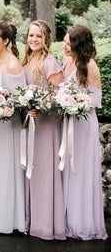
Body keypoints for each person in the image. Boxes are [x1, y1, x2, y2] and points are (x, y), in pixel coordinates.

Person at [62, 25, 107, 240]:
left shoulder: (90, 66)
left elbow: (96, 100)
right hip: (67, 121)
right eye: (63, 41)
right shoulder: (66, 62)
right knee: (67, 171)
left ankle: (82, 223)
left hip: (82, 123)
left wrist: (74, 102)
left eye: (68, 42)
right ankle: (66, 219)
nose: (64, 46)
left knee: (79, 169)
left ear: (78, 43)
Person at [22, 20, 65, 240]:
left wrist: (41, 106)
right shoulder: (27, 60)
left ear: (46, 39)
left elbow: (60, 94)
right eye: (31, 35)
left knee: (44, 173)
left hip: (46, 126)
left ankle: (47, 224)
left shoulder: (50, 62)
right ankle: (32, 220)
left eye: (38, 36)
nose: (34, 39)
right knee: (32, 171)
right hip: (30, 125)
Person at [0, 20, 26, 234]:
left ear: (6, 41)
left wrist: (1, 106)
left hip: (8, 125)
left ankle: (6, 220)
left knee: (5, 168)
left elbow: (19, 100)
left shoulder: (12, 64)